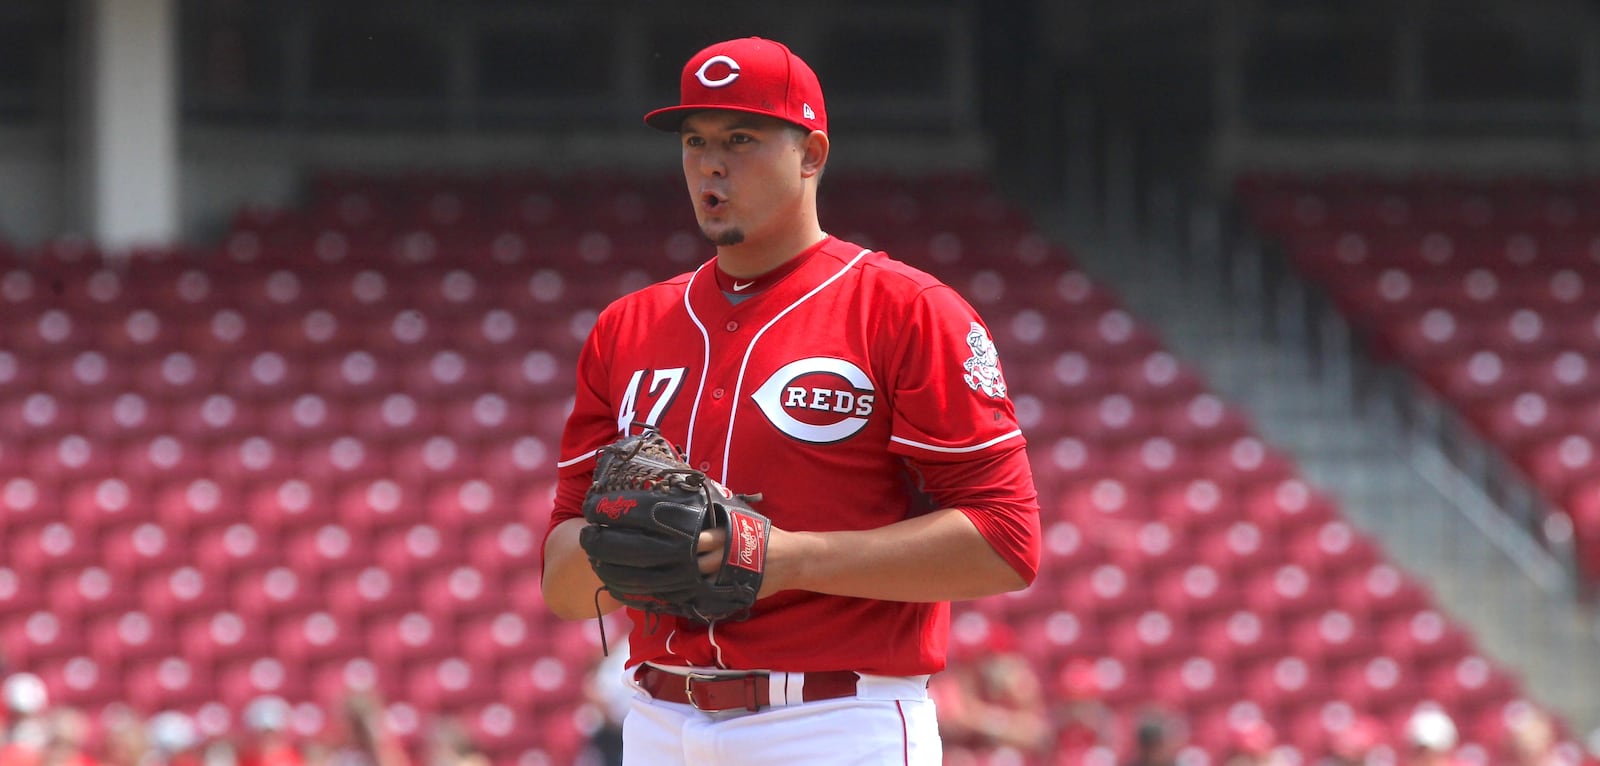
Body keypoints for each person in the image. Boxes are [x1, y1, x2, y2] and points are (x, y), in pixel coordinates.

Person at [540, 35, 1042, 766]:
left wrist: (790, 559)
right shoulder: (628, 327)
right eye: (695, 141)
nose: (711, 163)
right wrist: (623, 550)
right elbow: (561, 583)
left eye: (741, 138)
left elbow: (1006, 542)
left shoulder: (906, 310)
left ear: (811, 153)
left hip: (834, 723)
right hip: (655, 723)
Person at [930, 616, 1051, 765]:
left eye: (991, 655)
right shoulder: (953, 682)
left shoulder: (1016, 680)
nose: (988, 662)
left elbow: (1036, 733)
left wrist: (986, 719)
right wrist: (1002, 723)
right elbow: (958, 721)